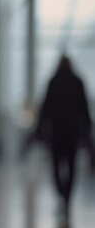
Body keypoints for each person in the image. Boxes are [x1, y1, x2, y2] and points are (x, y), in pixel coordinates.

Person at [33, 55, 92, 216]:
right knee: (72, 167)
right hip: (72, 133)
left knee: (55, 165)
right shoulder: (78, 82)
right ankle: (67, 197)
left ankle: (60, 193)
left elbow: (44, 108)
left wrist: (39, 130)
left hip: (56, 133)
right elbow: (84, 109)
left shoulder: (53, 82)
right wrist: (87, 132)